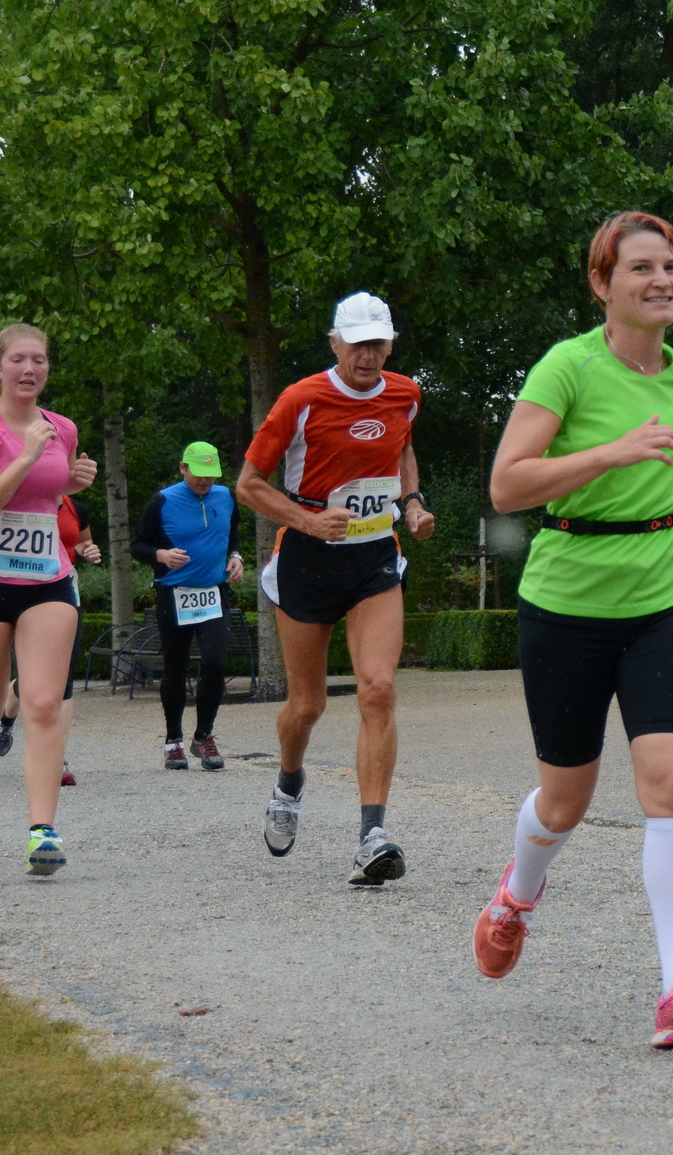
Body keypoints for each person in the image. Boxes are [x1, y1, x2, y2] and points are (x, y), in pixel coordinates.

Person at [471, 212, 673, 1049]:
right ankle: (518, 893)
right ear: (602, 284)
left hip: (662, 593)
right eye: (642, 269)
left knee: (672, 777)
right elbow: (509, 484)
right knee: (566, 797)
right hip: (567, 598)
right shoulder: (568, 367)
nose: (663, 280)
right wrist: (607, 453)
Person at [237, 291, 435, 885]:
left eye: (379, 342)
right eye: (357, 344)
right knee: (308, 705)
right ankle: (289, 783)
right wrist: (305, 520)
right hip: (306, 560)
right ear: (335, 343)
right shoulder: (301, 399)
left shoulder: (407, 393)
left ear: (390, 343)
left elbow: (402, 449)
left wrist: (413, 503)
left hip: (374, 558)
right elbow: (249, 484)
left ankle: (372, 834)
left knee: (378, 689)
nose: (369, 355)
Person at [0, 323, 96, 874]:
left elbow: (50, 496)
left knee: (44, 703)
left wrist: (74, 482)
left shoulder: (63, 427)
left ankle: (42, 831)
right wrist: (27, 458)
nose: (30, 370)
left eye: (40, 361)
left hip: (46, 580)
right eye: (19, 361)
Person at [132, 442, 245, 770]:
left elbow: (233, 532)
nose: (205, 482)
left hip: (213, 593)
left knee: (215, 663)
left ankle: (203, 736)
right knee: (176, 667)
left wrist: (235, 556)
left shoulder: (225, 497)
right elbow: (137, 545)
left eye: (211, 476)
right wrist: (161, 556)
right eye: (199, 475)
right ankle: (173, 741)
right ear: (183, 468)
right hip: (173, 593)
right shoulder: (163, 500)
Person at [0, 492, 100, 787]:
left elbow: (81, 540)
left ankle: (57, 759)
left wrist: (87, 550)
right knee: (28, 676)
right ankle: (6, 719)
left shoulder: (76, 507)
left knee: (62, 678)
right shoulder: (14, 495)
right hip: (19, 588)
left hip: (62, 589)